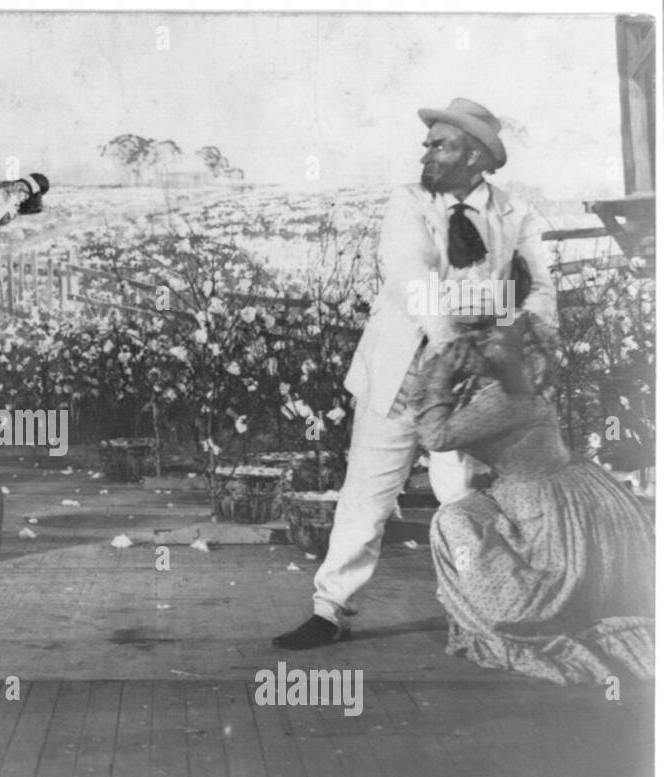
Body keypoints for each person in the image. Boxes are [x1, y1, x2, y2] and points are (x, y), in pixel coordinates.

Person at [274, 98, 557, 649]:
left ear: (475, 156)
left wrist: (537, 336)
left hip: (471, 385)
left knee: (462, 497)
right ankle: (329, 609)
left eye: (440, 145)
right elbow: (412, 279)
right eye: (427, 143)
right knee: (367, 495)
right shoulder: (407, 203)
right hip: (403, 372)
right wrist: (482, 308)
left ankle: (473, 610)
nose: (425, 152)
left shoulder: (513, 214)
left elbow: (541, 286)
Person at [414, 316, 654, 685]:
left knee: (452, 521)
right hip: (568, 492)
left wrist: (440, 376)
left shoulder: (508, 397)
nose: (467, 349)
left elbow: (436, 435)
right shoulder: (514, 388)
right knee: (466, 514)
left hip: (552, 503)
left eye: (481, 343)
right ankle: (509, 601)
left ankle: (513, 612)